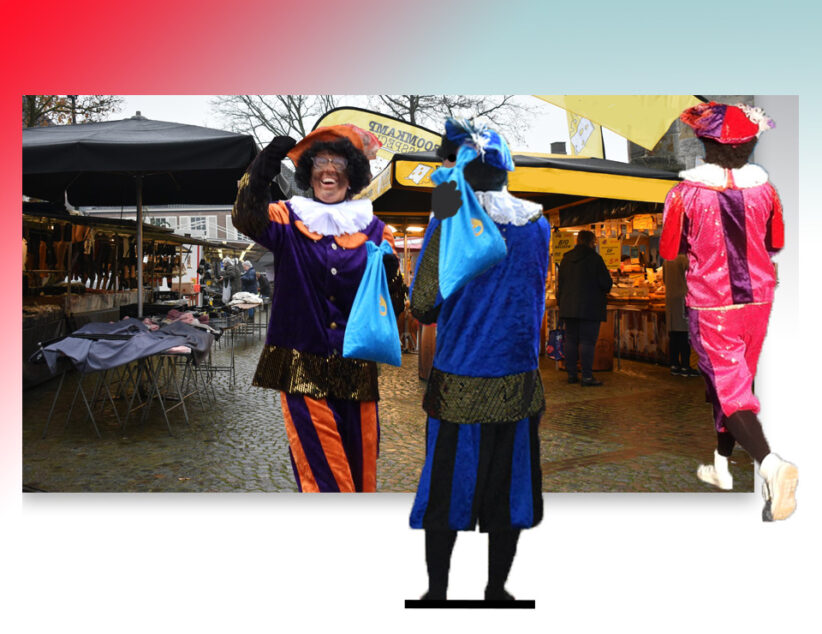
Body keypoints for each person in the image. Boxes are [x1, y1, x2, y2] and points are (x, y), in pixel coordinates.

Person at [409, 119, 549, 601]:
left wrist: (441, 222)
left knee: (446, 492)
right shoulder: (537, 225)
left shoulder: (450, 223)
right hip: (518, 379)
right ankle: (496, 592)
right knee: (507, 493)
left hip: (460, 381)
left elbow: (423, 303)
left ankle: (436, 595)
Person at [231, 124, 406, 493]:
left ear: (352, 171)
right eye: (321, 161)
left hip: (357, 366)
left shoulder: (376, 231)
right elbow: (245, 216)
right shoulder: (287, 219)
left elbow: (393, 306)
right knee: (324, 469)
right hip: (300, 362)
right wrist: (265, 164)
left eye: (339, 161)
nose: (329, 169)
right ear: (309, 170)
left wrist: (391, 279)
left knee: (361, 466)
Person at [660, 101, 797, 520]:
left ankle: (773, 467)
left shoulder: (683, 194)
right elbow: (776, 242)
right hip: (758, 300)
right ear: (750, 145)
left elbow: (669, 251)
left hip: (712, 303)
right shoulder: (766, 190)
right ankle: (721, 467)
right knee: (737, 385)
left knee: (731, 392)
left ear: (704, 144)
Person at [557, 230, 613, 386]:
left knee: (571, 341)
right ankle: (587, 376)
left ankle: (572, 374)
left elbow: (560, 285)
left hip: (568, 307)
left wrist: (561, 303)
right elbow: (606, 283)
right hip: (590, 307)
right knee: (587, 341)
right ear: (591, 242)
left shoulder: (566, 258)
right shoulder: (595, 259)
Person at [663, 254, 699, 376]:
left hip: (670, 299)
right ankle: (685, 365)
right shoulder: (684, 259)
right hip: (683, 299)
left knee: (673, 333)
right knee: (684, 334)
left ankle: (674, 364)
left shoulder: (667, 259)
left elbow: (664, 279)